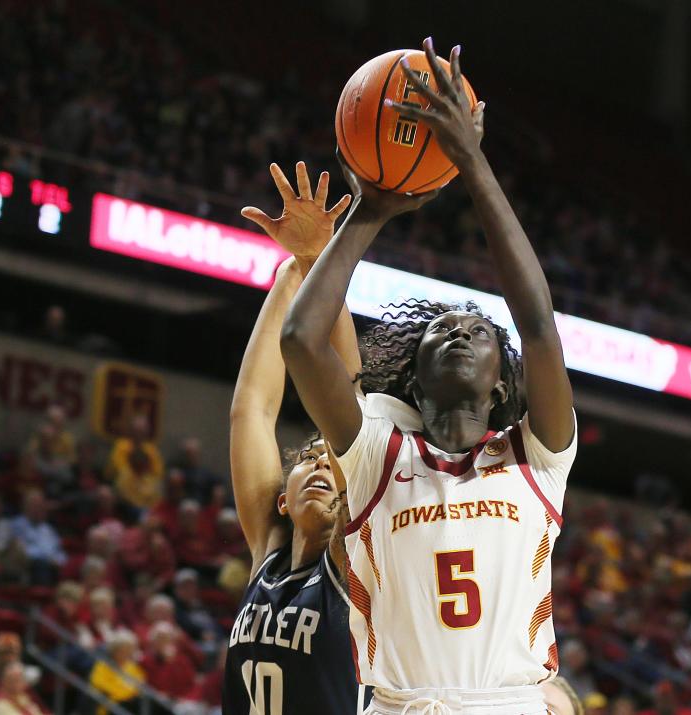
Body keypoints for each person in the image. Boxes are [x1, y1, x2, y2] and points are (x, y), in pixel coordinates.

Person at [280, 38, 577, 714]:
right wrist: (370, 211)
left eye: (477, 330)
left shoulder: (537, 458)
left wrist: (471, 162)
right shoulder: (377, 454)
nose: (460, 329)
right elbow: (300, 340)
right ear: (414, 381)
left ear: (504, 384)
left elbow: (537, 326)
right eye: (442, 330)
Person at [222, 161, 366, 715]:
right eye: (308, 460)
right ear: (282, 496)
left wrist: (317, 264)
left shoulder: (352, 558)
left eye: (329, 461)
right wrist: (290, 275)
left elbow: (347, 407)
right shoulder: (268, 554)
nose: (324, 466)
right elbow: (251, 412)